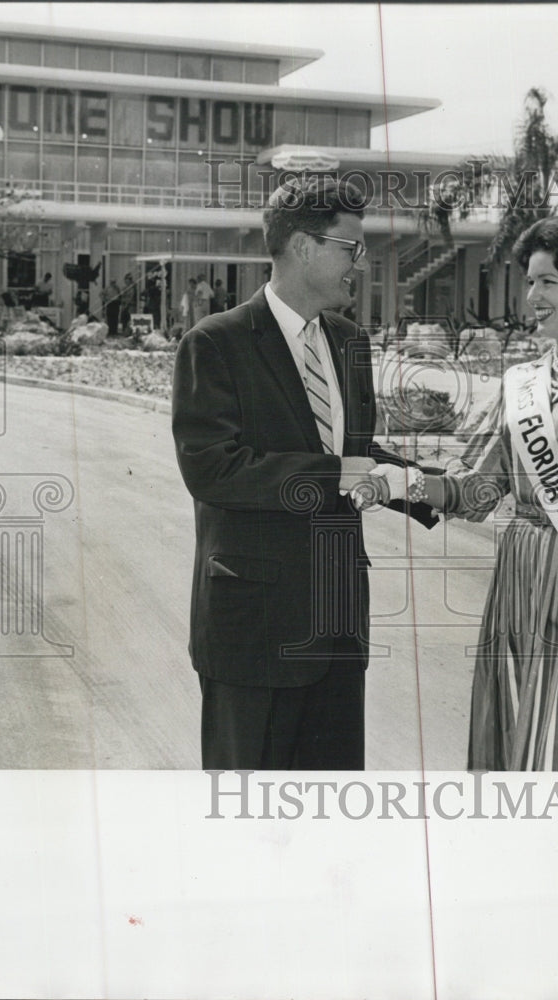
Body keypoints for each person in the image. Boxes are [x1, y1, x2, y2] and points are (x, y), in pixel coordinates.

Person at [370, 216, 558, 772]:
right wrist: (408, 481)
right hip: (519, 581)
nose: (530, 295)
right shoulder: (521, 384)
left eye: (547, 283)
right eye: (530, 281)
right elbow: (477, 491)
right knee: (513, 735)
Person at [172, 175, 435, 771]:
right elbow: (215, 470)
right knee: (250, 824)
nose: (360, 265)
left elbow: (359, 453)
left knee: (331, 829)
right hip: (254, 636)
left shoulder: (349, 341)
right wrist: (339, 474)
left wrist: (432, 485)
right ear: (305, 246)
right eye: (351, 250)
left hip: (339, 631)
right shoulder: (214, 344)